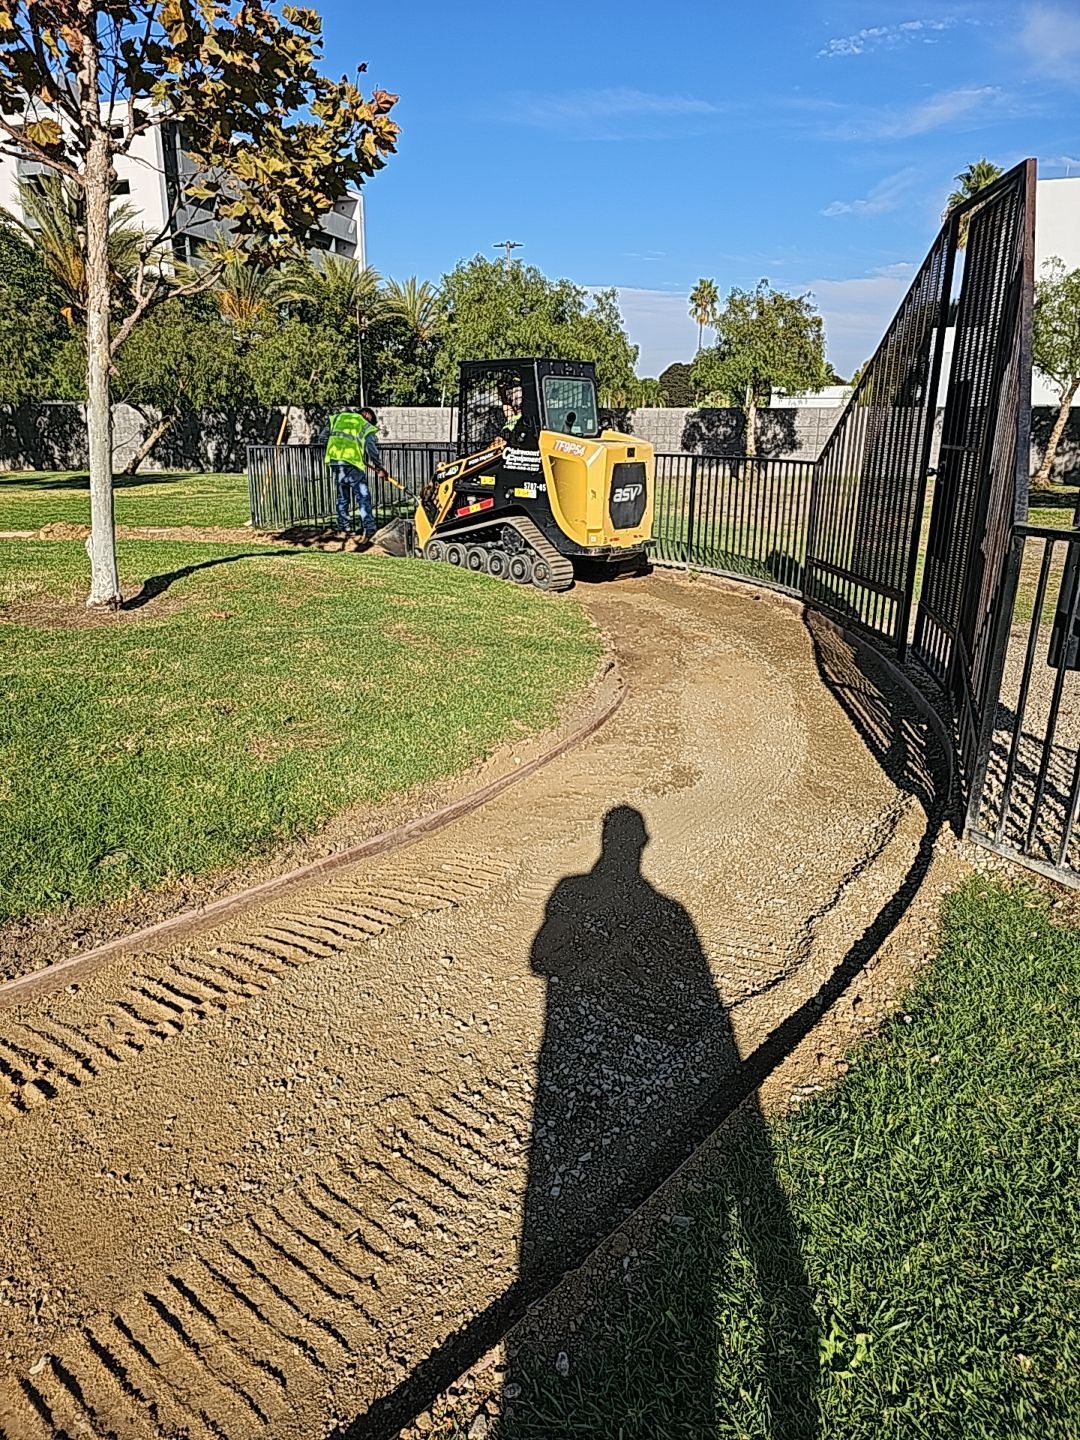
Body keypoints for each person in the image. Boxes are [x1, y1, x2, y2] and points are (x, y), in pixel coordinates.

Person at [323, 405, 389, 542]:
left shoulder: (338, 418)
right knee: (363, 497)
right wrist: (379, 467)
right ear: (366, 415)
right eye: (370, 421)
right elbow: (371, 448)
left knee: (342, 497)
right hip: (353, 464)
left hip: (336, 462)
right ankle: (369, 528)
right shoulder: (363, 424)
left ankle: (343, 528)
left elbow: (322, 437)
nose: (369, 424)